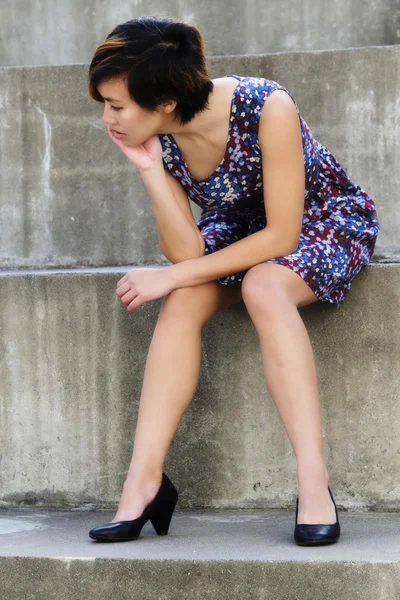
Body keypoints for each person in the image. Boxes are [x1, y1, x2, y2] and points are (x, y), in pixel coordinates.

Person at [87, 16, 380, 546]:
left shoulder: (266, 105)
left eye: (116, 105)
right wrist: (151, 170)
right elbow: (186, 252)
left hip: (321, 220)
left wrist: (171, 274)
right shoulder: (162, 137)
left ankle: (314, 481)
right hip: (239, 229)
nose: (107, 118)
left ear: (166, 102)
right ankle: (144, 480)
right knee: (184, 296)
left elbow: (282, 235)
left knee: (263, 286)